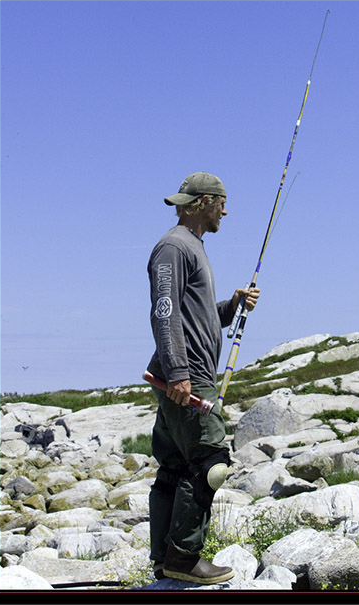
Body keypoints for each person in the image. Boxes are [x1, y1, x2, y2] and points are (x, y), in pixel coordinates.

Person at [146, 171, 260, 584]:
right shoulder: (174, 246)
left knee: (176, 465)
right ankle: (183, 558)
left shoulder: (192, 247)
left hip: (186, 373)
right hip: (187, 375)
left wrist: (231, 306)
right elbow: (164, 311)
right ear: (204, 202)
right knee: (211, 462)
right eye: (222, 203)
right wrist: (178, 372)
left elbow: (196, 314)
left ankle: (164, 559)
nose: (225, 212)